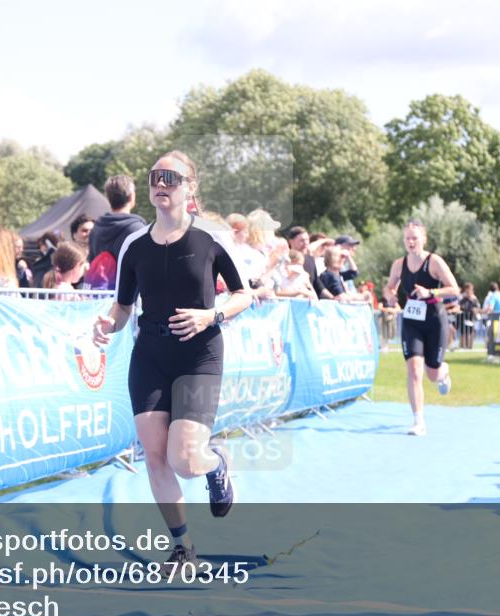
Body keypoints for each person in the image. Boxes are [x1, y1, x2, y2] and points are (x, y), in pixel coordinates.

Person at [92, 151, 251, 571]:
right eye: (154, 177)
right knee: (155, 454)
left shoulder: (212, 238)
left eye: (171, 177)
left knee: (186, 460)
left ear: (190, 187)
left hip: (199, 354)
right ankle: (183, 547)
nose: (161, 183)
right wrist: (107, 322)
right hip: (150, 354)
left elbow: (244, 295)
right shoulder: (134, 244)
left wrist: (210, 314)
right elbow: (122, 306)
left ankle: (215, 464)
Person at [383, 220, 460, 436]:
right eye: (407, 238)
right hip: (412, 319)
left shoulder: (434, 262)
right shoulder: (399, 264)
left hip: (434, 318)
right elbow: (390, 287)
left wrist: (431, 292)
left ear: (423, 239)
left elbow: (454, 289)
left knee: (432, 373)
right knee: (414, 370)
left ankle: (443, 372)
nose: (410, 241)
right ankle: (419, 421)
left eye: (415, 238)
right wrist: (390, 296)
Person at [86, 175, 147, 289]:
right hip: (128, 299)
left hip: (99, 298)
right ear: (131, 197)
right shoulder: (137, 230)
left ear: (108, 197)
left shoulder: (96, 228)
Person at [287, 226, 335, 300]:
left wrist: (333, 298)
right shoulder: (287, 259)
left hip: (309, 302)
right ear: (291, 242)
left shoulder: (309, 258)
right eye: (302, 240)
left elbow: (317, 284)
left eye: (307, 240)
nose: (306, 243)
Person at [458, 282, 480, 349]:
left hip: (472, 319)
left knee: (471, 333)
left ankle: (471, 346)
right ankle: (463, 346)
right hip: (463, 319)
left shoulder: (475, 300)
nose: (468, 291)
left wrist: (475, 311)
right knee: (463, 333)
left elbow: (477, 308)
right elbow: (460, 307)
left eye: (470, 290)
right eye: (467, 290)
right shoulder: (462, 300)